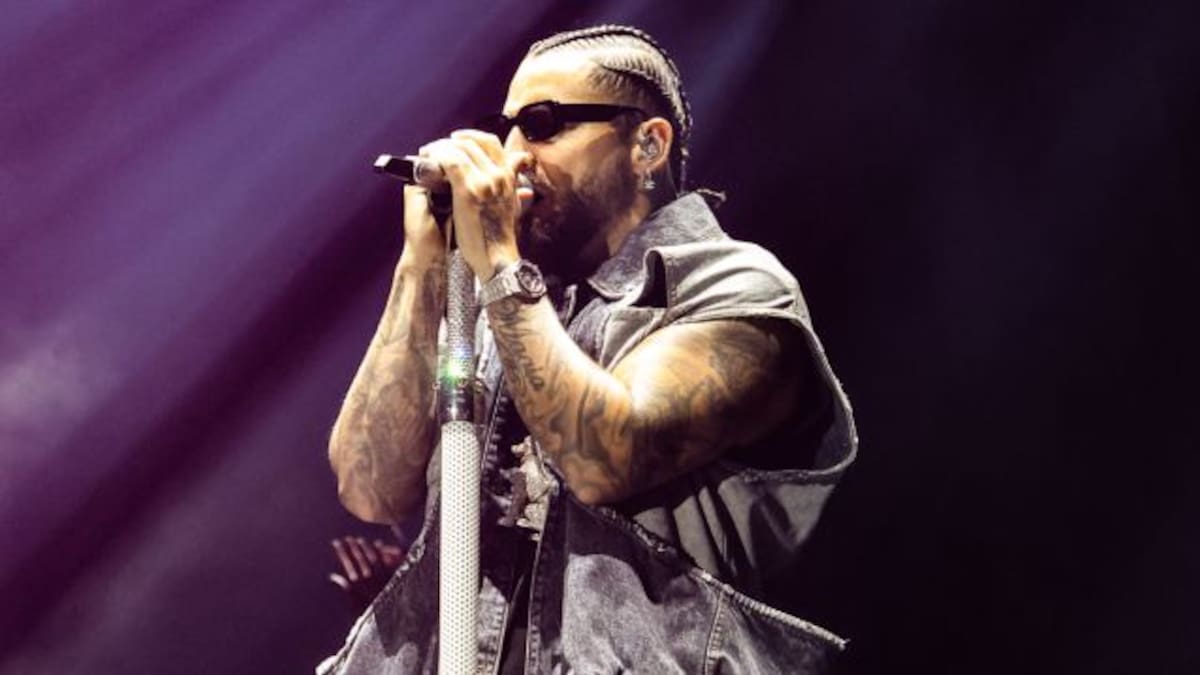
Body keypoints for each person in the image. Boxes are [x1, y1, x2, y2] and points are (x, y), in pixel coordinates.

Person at [320, 24, 857, 674]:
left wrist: (498, 259)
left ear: (648, 145)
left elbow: (606, 455)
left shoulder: (737, 287)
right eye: (506, 129)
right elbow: (369, 488)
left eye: (542, 125)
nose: (513, 155)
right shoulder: (501, 307)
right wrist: (422, 263)